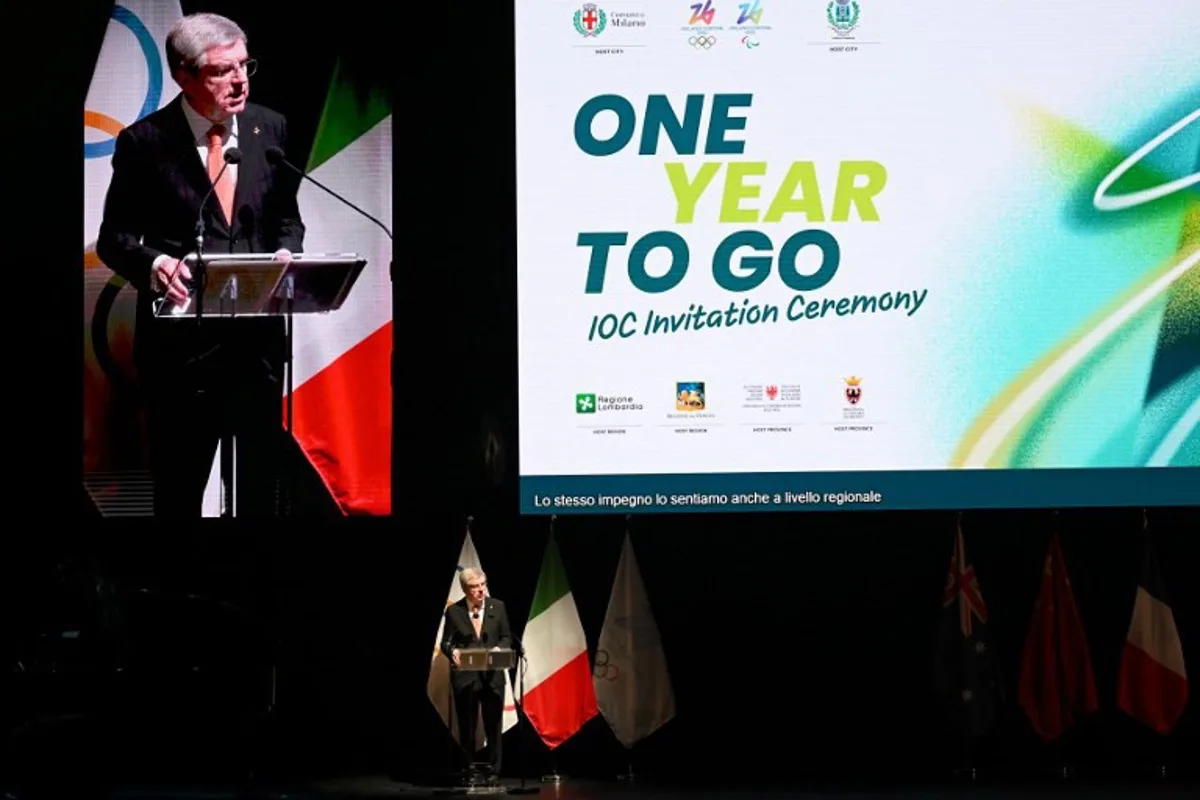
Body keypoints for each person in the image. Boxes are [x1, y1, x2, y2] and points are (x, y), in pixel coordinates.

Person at [96, 12, 305, 518]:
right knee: (179, 496)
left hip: (256, 348)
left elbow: (286, 221)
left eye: (244, 65)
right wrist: (156, 263)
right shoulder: (145, 143)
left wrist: (286, 253)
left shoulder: (268, 126)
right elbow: (114, 240)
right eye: (222, 70)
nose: (240, 80)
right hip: (181, 354)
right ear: (184, 76)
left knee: (259, 497)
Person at [439, 568, 514, 778]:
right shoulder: (454, 611)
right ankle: (468, 768)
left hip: (492, 676)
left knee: (494, 725)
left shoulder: (497, 607)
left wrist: (500, 649)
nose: (481, 590)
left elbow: (506, 636)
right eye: (475, 587)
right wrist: (452, 651)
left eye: (483, 585)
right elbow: (446, 642)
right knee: (467, 725)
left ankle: (495, 770)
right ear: (465, 589)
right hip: (466, 678)